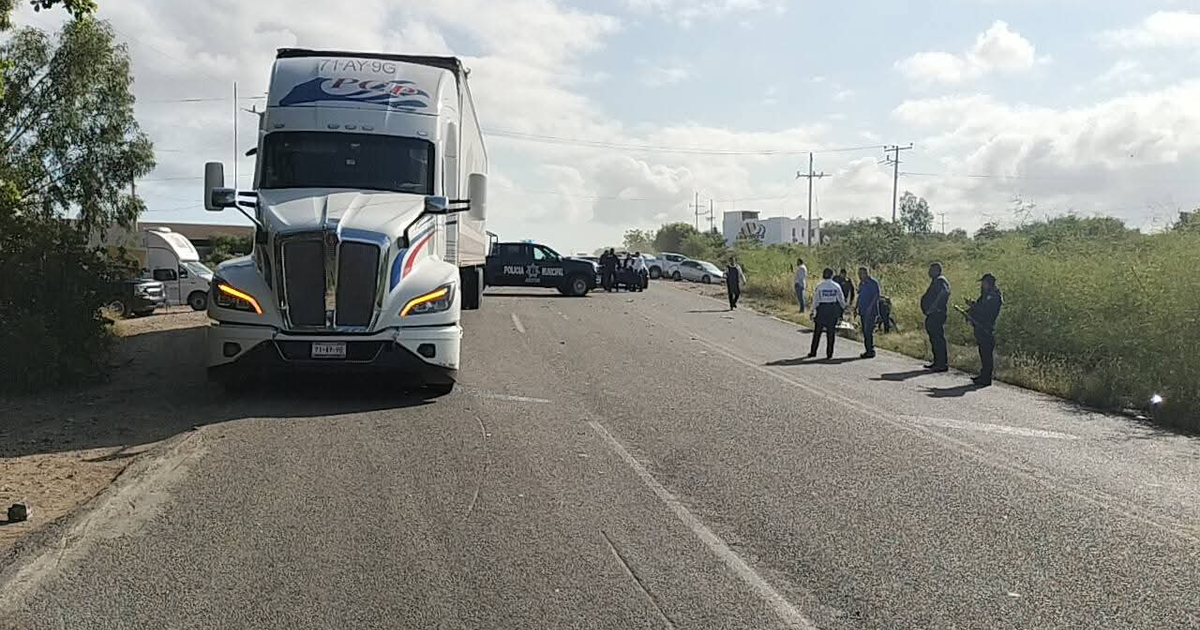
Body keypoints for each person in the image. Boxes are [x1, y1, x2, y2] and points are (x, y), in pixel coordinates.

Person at [964, 273, 1003, 386]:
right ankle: (983, 375)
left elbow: (985, 311)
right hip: (980, 327)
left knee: (986, 353)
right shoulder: (985, 295)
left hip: (986, 327)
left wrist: (974, 306)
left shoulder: (994, 296)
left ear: (988, 283)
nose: (982, 285)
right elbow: (980, 306)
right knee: (983, 352)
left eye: (983, 282)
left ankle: (986, 378)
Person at [807, 268, 846, 360]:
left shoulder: (820, 286)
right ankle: (829, 353)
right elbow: (841, 299)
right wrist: (844, 307)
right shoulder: (836, 286)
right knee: (831, 332)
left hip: (822, 309)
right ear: (832, 275)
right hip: (832, 309)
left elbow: (816, 300)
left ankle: (813, 352)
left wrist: (812, 310)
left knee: (817, 332)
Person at [920, 262, 951, 372]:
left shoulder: (941, 281)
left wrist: (934, 307)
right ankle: (937, 361)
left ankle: (942, 363)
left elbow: (944, 293)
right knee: (934, 338)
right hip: (932, 314)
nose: (929, 272)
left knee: (938, 338)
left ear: (937, 270)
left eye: (931, 270)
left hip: (937, 314)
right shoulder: (936, 281)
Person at [856, 266, 881, 359]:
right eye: (858, 274)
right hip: (862, 310)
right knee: (864, 331)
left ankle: (870, 350)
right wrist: (856, 307)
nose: (859, 276)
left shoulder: (873, 283)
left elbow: (876, 295)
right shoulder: (862, 283)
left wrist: (870, 307)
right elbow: (860, 295)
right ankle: (868, 349)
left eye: (860, 274)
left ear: (866, 273)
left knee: (868, 331)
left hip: (870, 311)